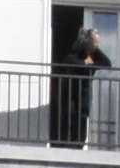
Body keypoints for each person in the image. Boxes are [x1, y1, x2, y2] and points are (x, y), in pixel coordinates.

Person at [48, 20, 112, 148]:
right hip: (69, 99)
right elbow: (75, 65)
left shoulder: (89, 56)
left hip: (83, 99)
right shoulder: (74, 56)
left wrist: (94, 50)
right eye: (95, 43)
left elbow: (107, 63)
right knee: (69, 123)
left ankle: (78, 146)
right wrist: (90, 64)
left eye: (98, 43)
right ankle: (67, 146)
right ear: (87, 42)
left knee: (81, 125)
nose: (97, 45)